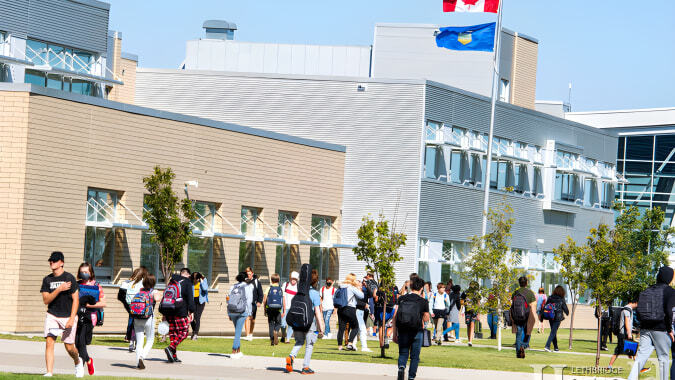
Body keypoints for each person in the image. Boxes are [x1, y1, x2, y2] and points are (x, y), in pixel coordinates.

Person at [627, 266, 675, 380]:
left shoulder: (647, 290)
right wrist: (669, 330)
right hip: (661, 329)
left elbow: (638, 310)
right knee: (663, 358)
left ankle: (631, 378)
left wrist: (640, 325)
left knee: (640, 357)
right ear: (669, 277)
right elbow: (669, 311)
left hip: (645, 328)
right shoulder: (671, 292)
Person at [41, 251, 83, 378]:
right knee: (49, 342)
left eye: (54, 260)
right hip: (52, 315)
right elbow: (46, 300)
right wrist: (59, 289)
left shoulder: (69, 278)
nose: (51, 262)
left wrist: (72, 318)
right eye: (50, 260)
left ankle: (78, 361)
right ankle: (49, 372)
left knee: (69, 347)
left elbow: (76, 300)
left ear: (62, 263)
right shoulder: (47, 280)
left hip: (67, 317)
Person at [285, 269, 325, 374]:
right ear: (315, 281)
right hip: (309, 323)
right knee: (309, 345)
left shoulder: (299, 292)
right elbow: (317, 312)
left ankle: (291, 356)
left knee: (299, 341)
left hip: (297, 322)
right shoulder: (314, 293)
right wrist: (321, 327)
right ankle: (305, 367)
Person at [393, 276, 429, 380]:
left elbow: (395, 316)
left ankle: (401, 367)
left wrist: (395, 333)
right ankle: (411, 377)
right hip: (417, 331)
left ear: (411, 286)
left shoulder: (402, 298)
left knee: (403, 353)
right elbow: (426, 318)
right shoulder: (423, 301)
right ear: (421, 288)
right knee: (415, 356)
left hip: (403, 329)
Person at [75, 263, 106, 376]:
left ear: (91, 273)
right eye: (82, 272)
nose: (84, 274)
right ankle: (88, 361)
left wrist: (88, 305)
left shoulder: (96, 286)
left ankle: (80, 370)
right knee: (77, 343)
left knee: (82, 341)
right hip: (77, 315)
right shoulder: (76, 284)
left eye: (86, 272)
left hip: (90, 317)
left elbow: (103, 303)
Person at [162, 268, 196, 363]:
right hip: (181, 311)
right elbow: (190, 299)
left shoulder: (172, 281)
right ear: (188, 275)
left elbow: (166, 296)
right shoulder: (188, 282)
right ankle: (171, 347)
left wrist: (164, 313)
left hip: (169, 310)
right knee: (184, 332)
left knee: (173, 334)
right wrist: (192, 311)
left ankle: (173, 356)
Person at [132, 274, 162, 369]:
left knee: (139, 341)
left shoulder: (140, 291)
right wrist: (160, 294)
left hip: (137, 317)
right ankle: (142, 356)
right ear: (153, 282)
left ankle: (138, 362)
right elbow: (157, 299)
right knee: (150, 340)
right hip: (148, 318)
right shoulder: (154, 291)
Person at [120, 266, 148, 352]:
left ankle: (130, 340)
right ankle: (134, 341)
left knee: (131, 322)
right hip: (139, 305)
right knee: (138, 325)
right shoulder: (143, 282)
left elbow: (123, 291)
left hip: (130, 304)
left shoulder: (128, 282)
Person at [228, 272, 253, 358]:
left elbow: (228, 299)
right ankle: (233, 351)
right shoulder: (248, 287)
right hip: (242, 312)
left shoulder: (232, 287)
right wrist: (249, 313)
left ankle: (238, 351)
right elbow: (249, 301)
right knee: (238, 333)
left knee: (237, 331)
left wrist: (229, 313)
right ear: (246, 278)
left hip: (232, 311)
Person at [337, 273, 364, 351]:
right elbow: (362, 296)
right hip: (350, 308)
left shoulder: (340, 287)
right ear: (352, 280)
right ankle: (350, 343)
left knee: (341, 328)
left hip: (340, 308)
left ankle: (340, 346)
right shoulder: (351, 287)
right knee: (355, 326)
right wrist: (358, 288)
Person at [511, 276, 536, 358]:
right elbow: (533, 306)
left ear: (519, 283)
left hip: (517, 316)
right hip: (526, 316)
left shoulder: (515, 292)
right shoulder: (530, 293)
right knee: (527, 333)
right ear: (527, 283)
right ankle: (523, 346)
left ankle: (518, 353)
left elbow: (513, 304)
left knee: (518, 334)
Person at [608, 297, 637, 369]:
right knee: (623, 350)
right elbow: (627, 322)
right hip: (625, 334)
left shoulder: (626, 309)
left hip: (624, 334)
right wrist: (629, 333)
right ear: (635, 302)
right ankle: (638, 367)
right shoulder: (627, 310)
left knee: (629, 350)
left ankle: (609, 366)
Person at [542, 285, 569, 352]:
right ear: (562, 292)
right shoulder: (561, 299)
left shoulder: (550, 297)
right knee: (553, 332)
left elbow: (546, 306)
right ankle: (547, 346)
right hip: (558, 317)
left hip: (551, 316)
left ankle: (556, 347)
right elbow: (565, 308)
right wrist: (567, 312)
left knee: (553, 332)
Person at [354, 276, 374, 352]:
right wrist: (364, 304)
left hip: (363, 312)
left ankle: (353, 344)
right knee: (362, 329)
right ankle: (364, 347)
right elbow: (355, 302)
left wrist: (367, 286)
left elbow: (371, 294)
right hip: (357, 311)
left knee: (357, 329)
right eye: (359, 282)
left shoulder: (363, 291)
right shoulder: (355, 291)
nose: (361, 283)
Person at [244, 267, 263, 341]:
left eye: (249, 274)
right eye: (247, 274)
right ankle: (247, 335)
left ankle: (250, 333)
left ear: (252, 273)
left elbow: (260, 293)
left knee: (252, 319)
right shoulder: (244, 281)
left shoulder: (256, 282)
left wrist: (259, 301)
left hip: (253, 303)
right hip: (245, 303)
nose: (248, 275)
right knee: (247, 318)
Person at [264, 273, 283, 345]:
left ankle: (272, 340)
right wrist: (283, 309)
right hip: (278, 309)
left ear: (271, 280)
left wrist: (265, 308)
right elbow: (283, 300)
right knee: (278, 323)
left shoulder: (269, 288)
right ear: (279, 280)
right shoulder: (280, 289)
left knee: (271, 323)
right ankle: (276, 331)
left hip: (270, 308)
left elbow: (264, 299)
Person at [281, 271, 299, 343]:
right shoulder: (286, 285)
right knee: (283, 324)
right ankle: (283, 335)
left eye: (295, 279)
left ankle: (288, 339)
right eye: (292, 279)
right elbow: (283, 297)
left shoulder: (298, 287)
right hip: (285, 307)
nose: (293, 280)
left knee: (291, 324)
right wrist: (284, 309)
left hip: (293, 308)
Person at [190, 271, 209, 340]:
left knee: (197, 317)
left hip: (201, 301)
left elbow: (205, 288)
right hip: (192, 300)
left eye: (196, 278)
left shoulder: (203, 280)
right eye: (194, 278)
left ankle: (195, 334)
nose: (195, 280)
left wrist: (201, 280)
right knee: (191, 318)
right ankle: (194, 331)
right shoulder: (191, 282)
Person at [461, 281, 480, 347]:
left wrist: (478, 313)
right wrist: (464, 304)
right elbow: (462, 301)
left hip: (474, 311)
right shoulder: (465, 292)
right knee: (468, 325)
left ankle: (470, 341)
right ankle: (469, 338)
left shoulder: (476, 294)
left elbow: (478, 303)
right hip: (467, 310)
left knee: (472, 324)